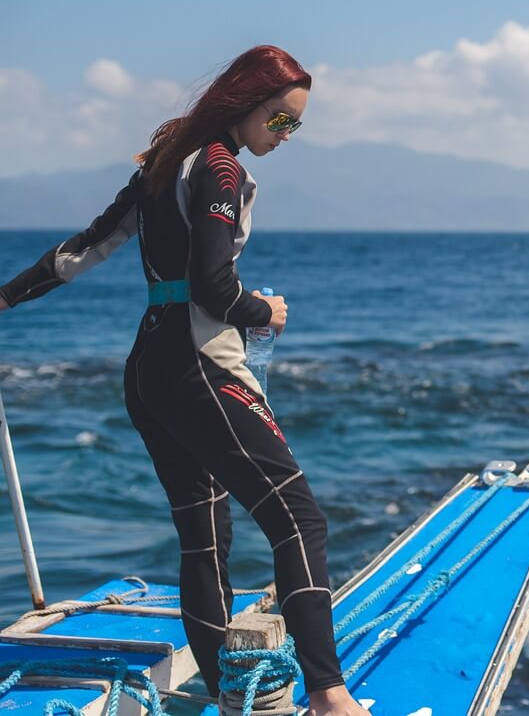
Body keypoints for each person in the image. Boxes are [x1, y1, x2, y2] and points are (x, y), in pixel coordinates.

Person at [0, 46, 371, 716]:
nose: (285, 137)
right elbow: (212, 287)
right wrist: (266, 310)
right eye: (280, 121)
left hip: (147, 370)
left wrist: (2, 298)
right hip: (199, 364)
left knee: (205, 541)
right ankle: (331, 699)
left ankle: (231, 701)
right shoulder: (220, 167)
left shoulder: (169, 160)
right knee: (300, 522)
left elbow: (82, 249)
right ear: (246, 102)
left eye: (296, 127)